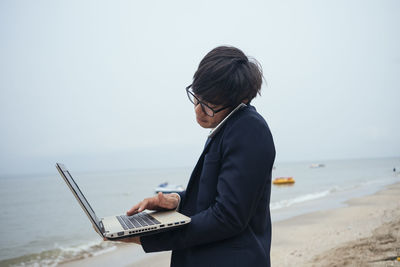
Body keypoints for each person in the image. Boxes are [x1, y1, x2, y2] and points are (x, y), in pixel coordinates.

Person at [122, 46, 275, 267]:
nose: (198, 110)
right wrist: (175, 200)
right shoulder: (230, 126)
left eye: (209, 106)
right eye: (197, 98)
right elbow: (215, 195)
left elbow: (227, 217)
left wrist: (147, 237)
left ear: (241, 100)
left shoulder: (249, 129)